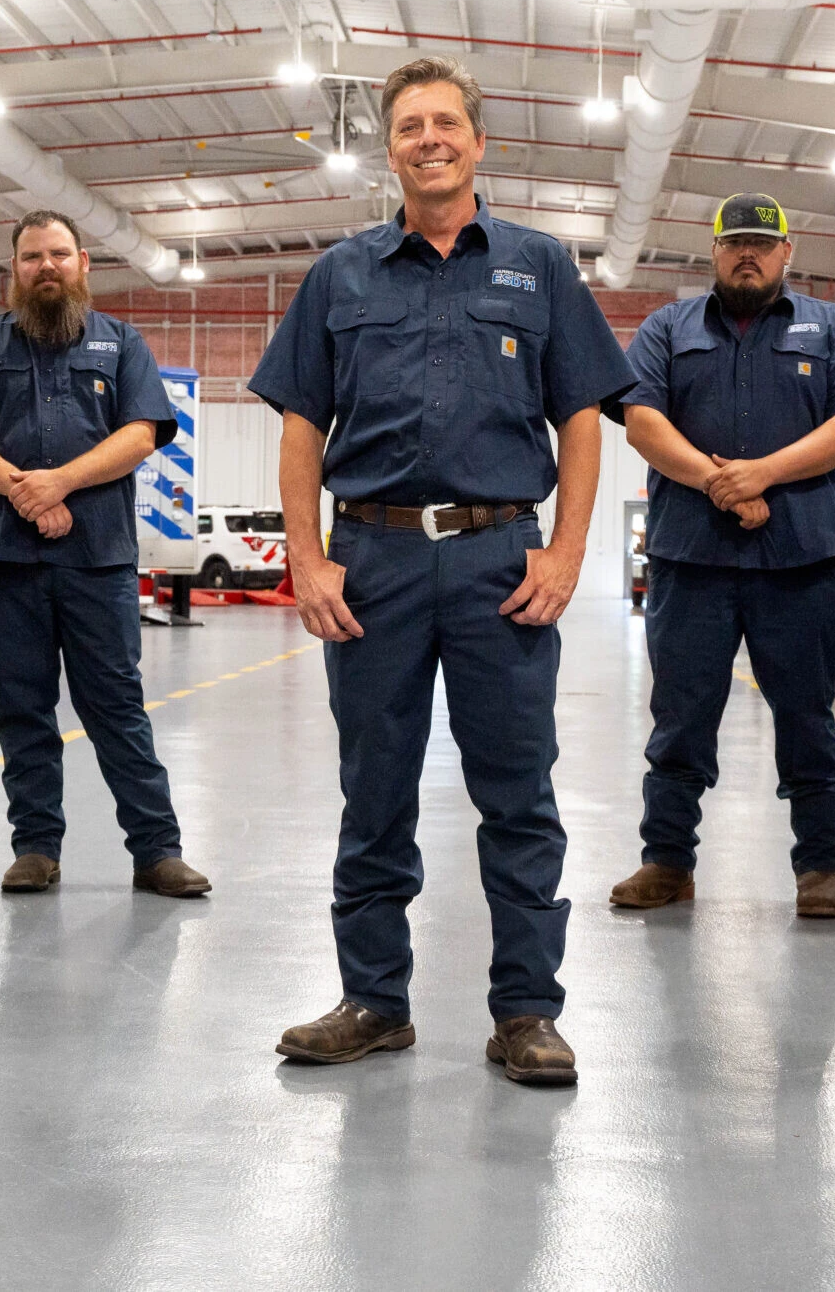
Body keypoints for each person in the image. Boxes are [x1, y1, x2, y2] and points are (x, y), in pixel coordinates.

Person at [252, 56, 635, 1087]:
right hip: (370, 561)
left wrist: (565, 552)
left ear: (478, 141)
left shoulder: (538, 266)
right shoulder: (342, 274)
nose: (429, 139)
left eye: (446, 124)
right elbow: (300, 422)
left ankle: (526, 1012)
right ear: (389, 150)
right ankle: (374, 999)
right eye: (410, 126)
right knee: (372, 790)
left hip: (497, 559)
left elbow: (584, 416)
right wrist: (308, 558)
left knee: (517, 791)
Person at [608, 193, 835, 919]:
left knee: (807, 717)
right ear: (713, 251)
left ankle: (819, 871)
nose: (748, 253)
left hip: (798, 563)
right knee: (679, 718)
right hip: (693, 560)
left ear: (786, 251)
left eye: (761, 244)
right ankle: (667, 862)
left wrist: (762, 474)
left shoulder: (829, 328)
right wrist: (718, 481)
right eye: (735, 242)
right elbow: (642, 422)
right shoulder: (667, 329)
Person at [0, 208, 210, 899]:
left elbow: (141, 434)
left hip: (96, 561)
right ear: (14, 271)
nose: (45, 266)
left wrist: (60, 482)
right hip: (4, 562)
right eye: (30, 257)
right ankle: (36, 847)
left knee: (116, 706)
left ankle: (156, 850)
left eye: (57, 254)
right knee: (20, 707)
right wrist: (26, 491)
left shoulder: (119, 344)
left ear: (84, 264)